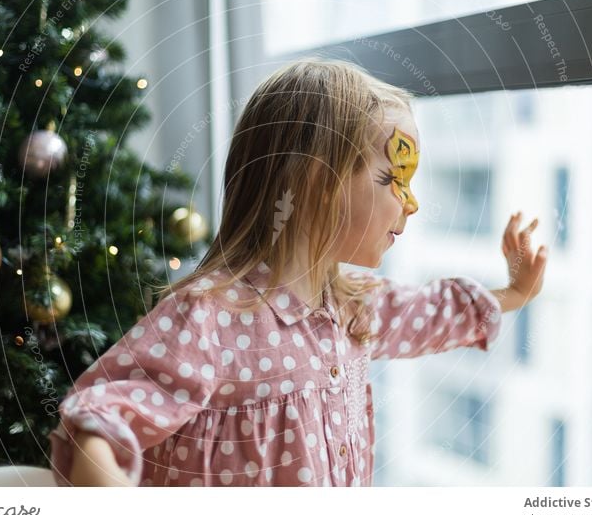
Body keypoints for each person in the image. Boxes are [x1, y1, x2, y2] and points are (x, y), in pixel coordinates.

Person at [48, 57, 548, 487]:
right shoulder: (209, 317)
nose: (411, 205)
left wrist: (512, 292)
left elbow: (430, 313)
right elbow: (97, 418)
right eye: (389, 179)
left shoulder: (354, 305)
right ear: (316, 180)